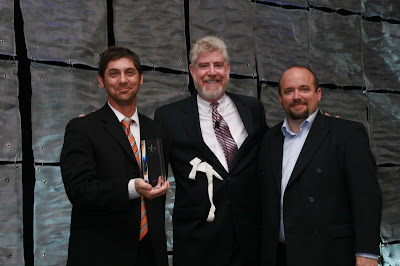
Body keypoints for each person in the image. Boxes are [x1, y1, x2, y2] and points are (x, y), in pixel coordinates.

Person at [154, 36, 268, 265]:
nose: (212, 72)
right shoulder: (168, 117)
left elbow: (272, 152)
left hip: (249, 240)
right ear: (192, 71)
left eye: (218, 65)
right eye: (204, 66)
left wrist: (313, 126)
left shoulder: (253, 109)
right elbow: (152, 171)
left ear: (228, 68)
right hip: (198, 242)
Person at [257, 65, 382, 266]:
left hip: (328, 255)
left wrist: (367, 253)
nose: (297, 96)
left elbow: (366, 197)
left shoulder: (347, 134)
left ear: (318, 94)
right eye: (289, 91)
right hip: (279, 256)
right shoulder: (269, 140)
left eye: (304, 89)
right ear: (280, 98)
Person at [60, 47, 170, 266]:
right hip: (101, 254)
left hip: (150, 253)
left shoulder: (157, 131)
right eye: (114, 73)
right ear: (101, 80)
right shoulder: (82, 128)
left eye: (129, 73)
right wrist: (132, 188)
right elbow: (79, 190)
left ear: (141, 79)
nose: (123, 80)